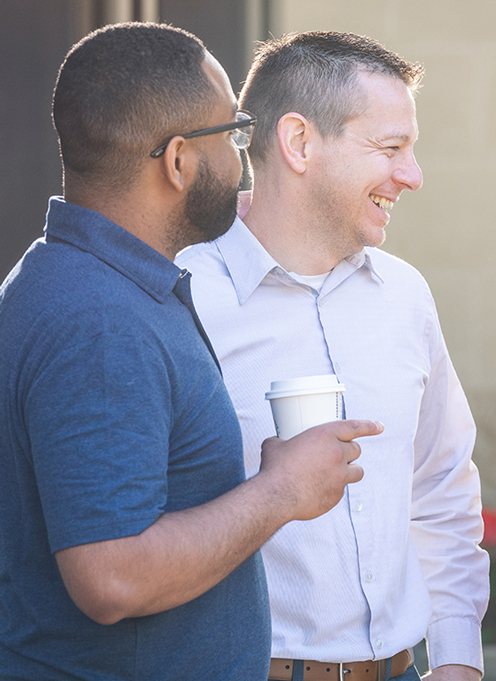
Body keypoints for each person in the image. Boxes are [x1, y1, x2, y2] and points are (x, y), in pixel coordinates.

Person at [0, 23, 378, 681]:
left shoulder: (87, 280)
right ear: (177, 161)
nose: (244, 156)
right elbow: (110, 575)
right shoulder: (100, 321)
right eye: (233, 136)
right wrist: (281, 490)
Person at [176, 31, 488, 681]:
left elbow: (440, 486)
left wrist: (459, 658)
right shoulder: (183, 298)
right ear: (299, 143)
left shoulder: (405, 295)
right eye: (391, 147)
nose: (413, 174)